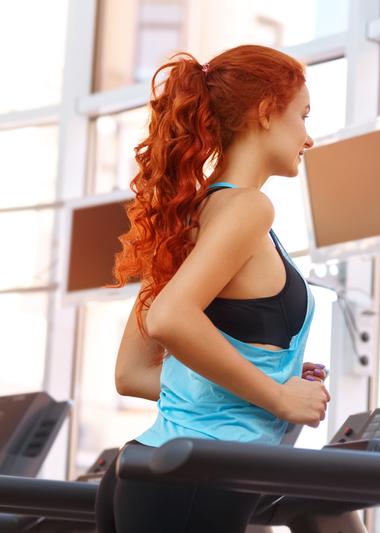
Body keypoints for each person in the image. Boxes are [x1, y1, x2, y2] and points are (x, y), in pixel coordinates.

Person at [95, 45, 330, 533]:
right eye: (303, 116)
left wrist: (265, 374)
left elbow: (131, 373)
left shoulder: (187, 215)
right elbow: (169, 319)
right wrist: (278, 398)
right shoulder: (249, 209)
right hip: (195, 482)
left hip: (143, 471)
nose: (308, 137)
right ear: (267, 112)